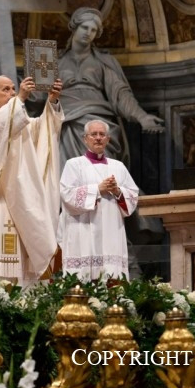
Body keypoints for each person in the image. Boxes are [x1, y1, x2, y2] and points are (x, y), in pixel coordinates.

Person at [0, 74, 64, 284]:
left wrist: (52, 101)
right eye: (5, 89)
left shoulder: (20, 119)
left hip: (20, 196)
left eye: (12, 89)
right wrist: (21, 99)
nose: (11, 93)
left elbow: (44, 129)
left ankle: (23, 293)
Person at [57, 7, 164, 166]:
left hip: (97, 113)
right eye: (85, 27)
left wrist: (141, 117)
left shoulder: (103, 61)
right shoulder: (54, 61)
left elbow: (120, 93)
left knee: (99, 144)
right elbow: (39, 96)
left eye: (93, 30)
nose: (88, 33)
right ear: (74, 27)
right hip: (65, 118)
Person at [58, 118, 140, 281]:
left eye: (102, 134)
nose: (98, 138)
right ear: (85, 138)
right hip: (83, 229)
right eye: (93, 134)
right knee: (84, 278)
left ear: (108, 139)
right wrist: (97, 190)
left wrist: (117, 191)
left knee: (111, 277)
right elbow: (67, 194)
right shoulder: (74, 165)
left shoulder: (118, 167)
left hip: (111, 231)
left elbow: (132, 196)